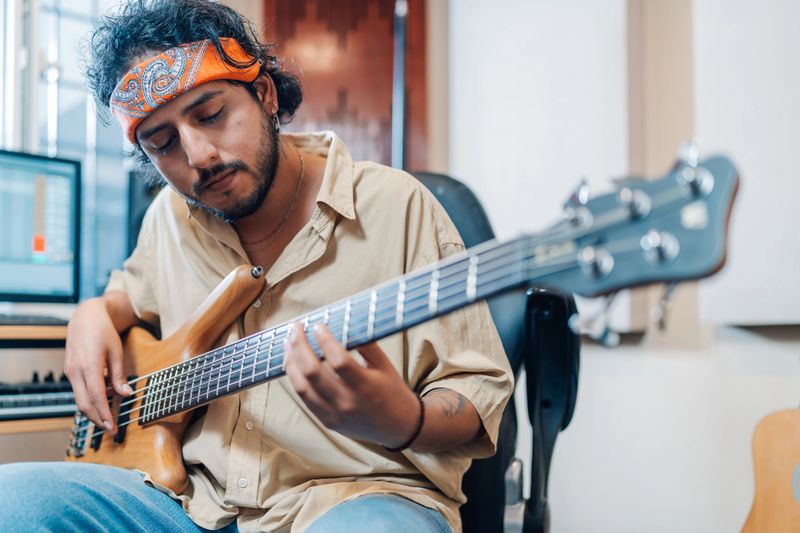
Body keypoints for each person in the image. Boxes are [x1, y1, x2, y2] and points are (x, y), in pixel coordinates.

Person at [0, 1, 512, 531]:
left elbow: (476, 390)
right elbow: (131, 291)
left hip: (356, 498)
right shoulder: (169, 218)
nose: (197, 155)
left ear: (264, 94)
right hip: (190, 504)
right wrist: (93, 312)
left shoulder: (398, 205)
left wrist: (403, 419)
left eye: (211, 114)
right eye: (163, 142)